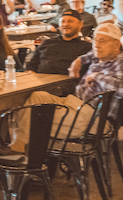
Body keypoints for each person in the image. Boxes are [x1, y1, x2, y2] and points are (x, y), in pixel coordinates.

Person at [11, 21, 123, 153]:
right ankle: (22, 145)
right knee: (36, 97)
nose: (97, 45)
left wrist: (97, 77)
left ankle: (21, 149)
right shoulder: (99, 56)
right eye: (95, 41)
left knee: (36, 115)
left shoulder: (120, 63)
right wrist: (79, 60)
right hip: (75, 103)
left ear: (117, 45)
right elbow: (92, 53)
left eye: (102, 41)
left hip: (96, 118)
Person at [24, 9, 91, 75]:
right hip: (40, 82)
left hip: (67, 83)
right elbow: (31, 65)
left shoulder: (87, 48)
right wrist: (30, 72)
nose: (65, 24)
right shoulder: (47, 43)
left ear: (80, 24)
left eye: (70, 21)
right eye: (63, 21)